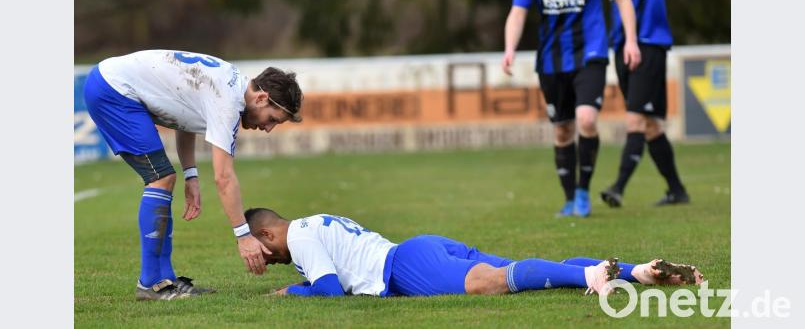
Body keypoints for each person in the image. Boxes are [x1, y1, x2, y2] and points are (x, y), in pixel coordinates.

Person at [83, 50, 304, 300]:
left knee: (166, 177)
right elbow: (224, 178)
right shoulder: (229, 101)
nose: (268, 128)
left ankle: (165, 280)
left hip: (109, 82)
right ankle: (149, 284)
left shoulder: (231, 83)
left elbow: (182, 117)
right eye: (273, 119)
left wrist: (191, 175)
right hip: (113, 91)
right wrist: (244, 237)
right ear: (262, 98)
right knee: (161, 178)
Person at [501, 0, 641, 218]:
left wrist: (630, 41)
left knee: (587, 119)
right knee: (563, 130)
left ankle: (582, 192)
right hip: (551, 60)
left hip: (590, 52)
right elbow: (518, 12)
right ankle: (568, 198)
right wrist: (510, 47)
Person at [245, 208, 704, 297]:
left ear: (268, 234)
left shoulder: (300, 238)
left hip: (405, 266)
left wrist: (293, 291)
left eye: (261, 253)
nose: (265, 261)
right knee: (517, 272)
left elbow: (328, 291)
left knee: (490, 283)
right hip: (421, 248)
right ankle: (639, 272)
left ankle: (591, 278)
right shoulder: (313, 221)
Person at [570, 0, 690, 207]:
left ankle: (618, 187)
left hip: (649, 44)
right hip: (621, 45)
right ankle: (677, 190)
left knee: (635, 118)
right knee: (651, 125)